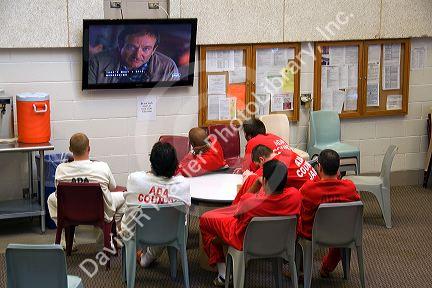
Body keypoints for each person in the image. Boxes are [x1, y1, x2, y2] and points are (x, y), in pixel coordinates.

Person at [199, 159, 301, 286]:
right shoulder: (296, 196)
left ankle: (223, 273)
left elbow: (237, 212)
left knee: (205, 220)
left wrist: (256, 185)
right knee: (214, 233)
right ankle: (218, 246)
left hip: (243, 241)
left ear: (264, 181)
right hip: (281, 243)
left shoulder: (250, 203)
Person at [47, 133, 126, 247]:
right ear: (89, 149)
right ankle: (106, 237)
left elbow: (57, 193)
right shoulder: (102, 167)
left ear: (70, 149)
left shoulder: (61, 169)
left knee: (51, 199)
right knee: (125, 197)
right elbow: (112, 188)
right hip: (99, 212)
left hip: (70, 212)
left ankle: (67, 240)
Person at [121, 141, 191, 268]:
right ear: (175, 163)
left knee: (132, 213)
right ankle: (147, 257)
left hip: (138, 231)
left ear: (151, 162)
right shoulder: (183, 184)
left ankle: (142, 256)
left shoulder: (135, 179)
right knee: (164, 221)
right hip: (172, 232)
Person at [298, 149, 360, 278]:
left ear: (319, 167)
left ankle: (300, 269)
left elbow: (300, 209)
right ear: (338, 169)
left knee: (296, 223)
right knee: (341, 226)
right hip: (343, 234)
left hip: (313, 235)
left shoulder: (309, 189)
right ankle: (327, 267)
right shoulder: (350, 188)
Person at [89, 26, 180, 84]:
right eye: (132, 47)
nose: (137, 55)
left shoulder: (169, 68)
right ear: (120, 45)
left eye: (146, 49)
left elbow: (172, 102)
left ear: (154, 50)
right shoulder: (97, 63)